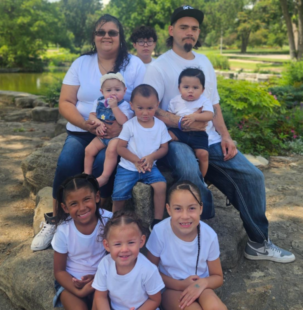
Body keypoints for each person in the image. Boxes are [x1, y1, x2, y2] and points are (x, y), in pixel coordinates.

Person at [143, 5, 295, 263]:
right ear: (171, 30)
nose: (189, 32)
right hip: (176, 140)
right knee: (190, 173)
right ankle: (194, 245)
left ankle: (258, 243)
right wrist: (181, 123)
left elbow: (214, 104)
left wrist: (226, 136)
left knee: (253, 176)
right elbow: (151, 108)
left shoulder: (204, 62)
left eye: (194, 28)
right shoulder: (158, 67)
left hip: (210, 139)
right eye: (183, 27)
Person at [31, 14, 146, 251]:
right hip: (83, 130)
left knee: (103, 162)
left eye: (112, 32)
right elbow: (65, 102)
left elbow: (145, 100)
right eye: (100, 32)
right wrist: (87, 124)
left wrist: (122, 128)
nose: (106, 36)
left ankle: (96, 220)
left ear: (120, 37)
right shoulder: (81, 64)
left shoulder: (134, 65)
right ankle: (56, 220)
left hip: (120, 133)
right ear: (94, 37)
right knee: (66, 161)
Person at [147, 181, 227, 310]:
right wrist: (181, 285)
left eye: (192, 208)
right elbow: (149, 272)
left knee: (216, 307)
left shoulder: (209, 235)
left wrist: (202, 283)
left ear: (201, 208)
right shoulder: (159, 232)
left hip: (199, 286)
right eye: (178, 208)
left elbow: (218, 277)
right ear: (169, 209)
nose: (185, 216)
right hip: (170, 288)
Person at [112, 84, 171, 229]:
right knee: (119, 194)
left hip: (150, 167)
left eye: (150, 108)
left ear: (157, 105)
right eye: (140, 108)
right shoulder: (129, 125)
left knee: (161, 185)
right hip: (128, 167)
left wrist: (151, 157)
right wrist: (135, 160)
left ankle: (157, 221)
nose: (145, 112)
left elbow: (164, 148)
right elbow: (120, 147)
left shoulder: (160, 126)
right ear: (132, 105)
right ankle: (114, 221)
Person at [51, 174, 112, 309]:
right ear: (65, 207)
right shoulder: (63, 231)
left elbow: (116, 256)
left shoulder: (109, 221)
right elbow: (59, 271)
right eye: (74, 204)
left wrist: (98, 277)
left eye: (86, 199)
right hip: (71, 282)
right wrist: (79, 290)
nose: (82, 207)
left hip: (102, 277)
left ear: (97, 197)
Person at [92, 210, 165, 310]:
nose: (124, 249)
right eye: (117, 244)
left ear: (141, 241)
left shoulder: (148, 270)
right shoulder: (105, 264)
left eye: (131, 242)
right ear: (107, 245)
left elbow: (155, 300)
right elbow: (100, 296)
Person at [84, 72, 133, 187]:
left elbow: (124, 122)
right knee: (88, 150)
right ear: (102, 92)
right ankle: (87, 174)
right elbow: (91, 115)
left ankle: (105, 176)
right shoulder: (99, 102)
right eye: (108, 90)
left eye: (117, 90)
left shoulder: (124, 105)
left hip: (116, 137)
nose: (113, 93)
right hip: (102, 136)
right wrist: (98, 123)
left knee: (111, 150)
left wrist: (114, 107)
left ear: (124, 91)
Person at [168, 68, 213, 177]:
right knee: (165, 138)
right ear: (179, 88)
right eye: (186, 87)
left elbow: (210, 115)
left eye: (195, 87)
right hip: (179, 131)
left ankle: (202, 177)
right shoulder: (175, 101)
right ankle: (159, 163)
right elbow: (169, 117)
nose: (190, 90)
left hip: (198, 134)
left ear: (202, 90)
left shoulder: (204, 101)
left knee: (203, 154)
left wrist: (195, 116)